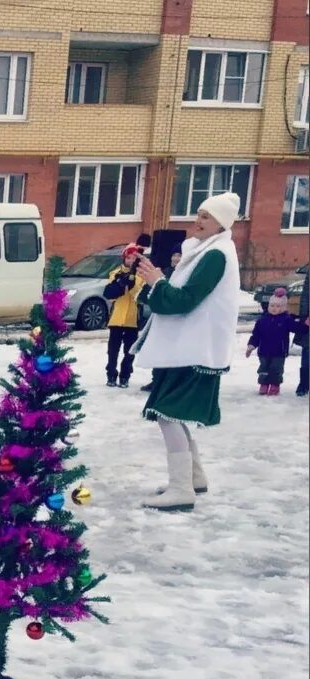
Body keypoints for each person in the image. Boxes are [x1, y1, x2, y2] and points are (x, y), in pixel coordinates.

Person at [134, 192, 243, 512]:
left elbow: (185, 300)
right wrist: (155, 282)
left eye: (206, 217)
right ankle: (193, 477)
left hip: (196, 350)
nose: (198, 220)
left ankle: (182, 488)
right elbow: (176, 296)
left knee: (168, 414)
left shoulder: (216, 255)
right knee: (171, 413)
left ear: (221, 224)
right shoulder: (204, 251)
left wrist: (157, 282)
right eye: (198, 213)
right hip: (189, 348)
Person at [102, 244, 146, 388]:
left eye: (134, 258)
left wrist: (132, 283)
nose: (131, 260)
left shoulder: (141, 275)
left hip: (132, 319)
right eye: (128, 257)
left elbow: (138, 296)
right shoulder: (115, 272)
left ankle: (125, 375)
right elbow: (110, 295)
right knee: (112, 350)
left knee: (129, 351)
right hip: (116, 318)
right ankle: (111, 374)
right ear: (124, 258)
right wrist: (120, 283)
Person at [246, 289, 305, 396]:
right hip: (264, 351)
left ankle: (274, 385)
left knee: (276, 369)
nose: (274, 308)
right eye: (272, 305)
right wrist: (251, 346)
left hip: (279, 352)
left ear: (283, 308)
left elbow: (297, 328)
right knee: (263, 368)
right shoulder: (262, 320)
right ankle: (264, 384)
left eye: (278, 306)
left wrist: (305, 325)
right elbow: (256, 335)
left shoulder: (286, 320)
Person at [142, 247, 181, 392]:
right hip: (160, 318)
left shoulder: (184, 275)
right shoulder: (165, 272)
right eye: (174, 255)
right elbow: (150, 293)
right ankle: (156, 380)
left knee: (172, 353)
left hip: (175, 321)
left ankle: (169, 383)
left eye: (179, 255)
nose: (176, 258)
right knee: (158, 350)